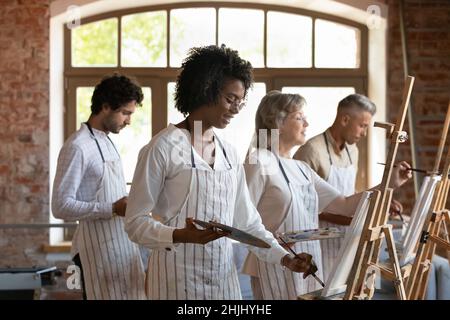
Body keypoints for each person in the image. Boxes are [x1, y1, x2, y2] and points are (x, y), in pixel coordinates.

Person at [124, 45, 315, 300]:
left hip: (223, 284)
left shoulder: (229, 154)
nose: (236, 109)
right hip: (176, 284)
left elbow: (247, 223)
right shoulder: (162, 148)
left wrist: (286, 259)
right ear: (205, 90)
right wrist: (181, 235)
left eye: (240, 101)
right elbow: (135, 223)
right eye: (230, 99)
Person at [242, 91, 412, 300]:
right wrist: (280, 253)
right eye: (299, 117)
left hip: (307, 262)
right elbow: (244, 221)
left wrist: (389, 183)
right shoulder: (259, 160)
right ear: (277, 122)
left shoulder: (302, 167)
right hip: (273, 264)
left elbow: (345, 205)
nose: (307, 123)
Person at [52, 74, 146, 300]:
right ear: (105, 107)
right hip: (94, 252)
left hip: (120, 247)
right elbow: (60, 206)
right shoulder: (77, 147)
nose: (128, 121)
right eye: (125, 113)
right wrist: (112, 208)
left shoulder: (106, 141)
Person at [293, 93, 377, 280]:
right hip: (318, 243)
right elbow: (299, 207)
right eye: (362, 126)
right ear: (345, 119)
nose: (364, 133)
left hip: (346, 240)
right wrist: (345, 217)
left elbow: (348, 193)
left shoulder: (352, 150)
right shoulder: (311, 151)